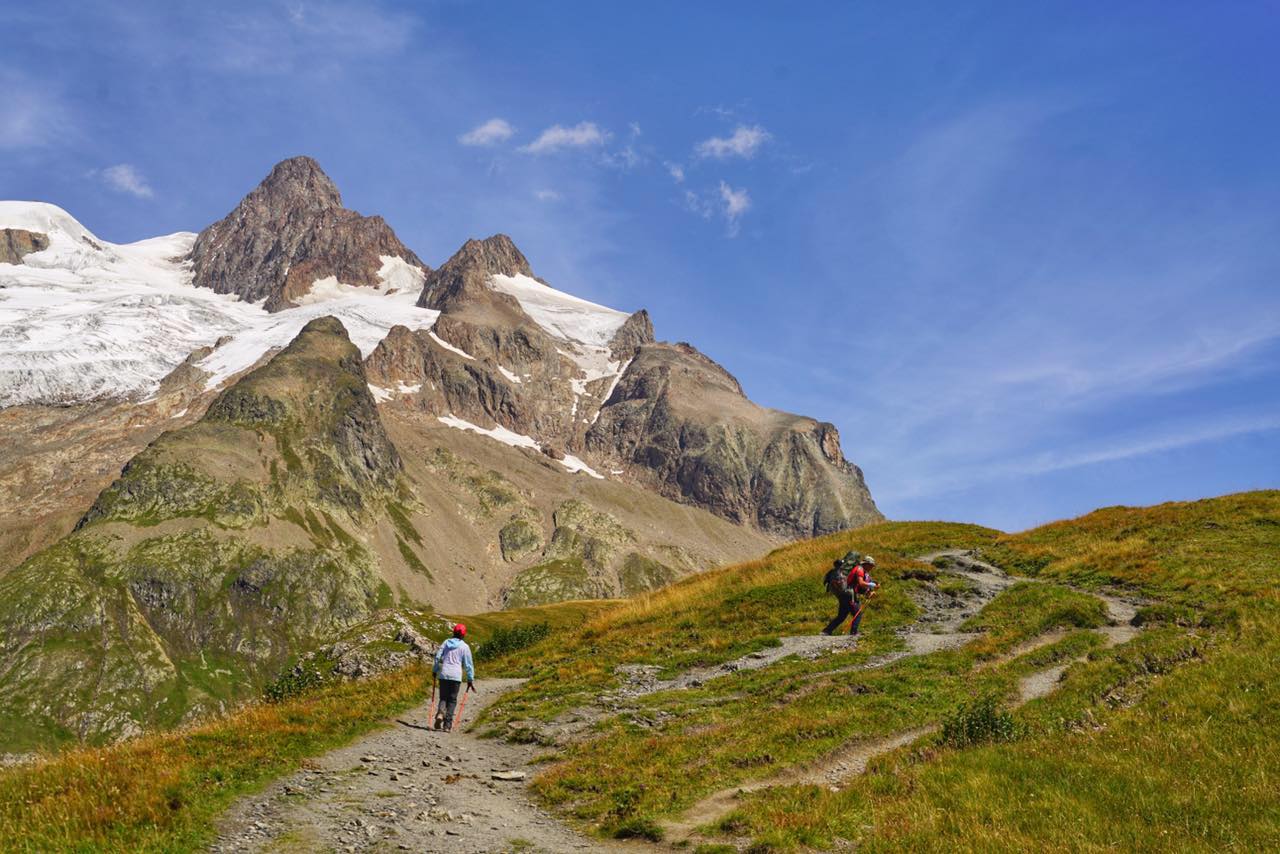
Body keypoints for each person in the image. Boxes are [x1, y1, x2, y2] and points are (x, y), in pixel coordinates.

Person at [822, 553, 879, 636]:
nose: (872, 567)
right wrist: (873, 585)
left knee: (842, 615)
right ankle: (854, 632)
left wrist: (869, 592)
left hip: (844, 593)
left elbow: (860, 587)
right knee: (857, 613)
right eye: (871, 565)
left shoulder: (862, 571)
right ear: (866, 564)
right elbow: (861, 583)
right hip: (849, 594)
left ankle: (826, 631)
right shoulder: (859, 569)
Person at [432, 623, 475, 732]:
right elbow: (468, 664)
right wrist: (470, 679)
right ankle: (447, 726)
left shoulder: (446, 642)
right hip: (456, 676)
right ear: (463, 634)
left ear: (453, 632)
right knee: (452, 700)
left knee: (443, 697)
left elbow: (438, 657)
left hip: (444, 673)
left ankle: (440, 713)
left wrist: (435, 670)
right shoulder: (465, 647)